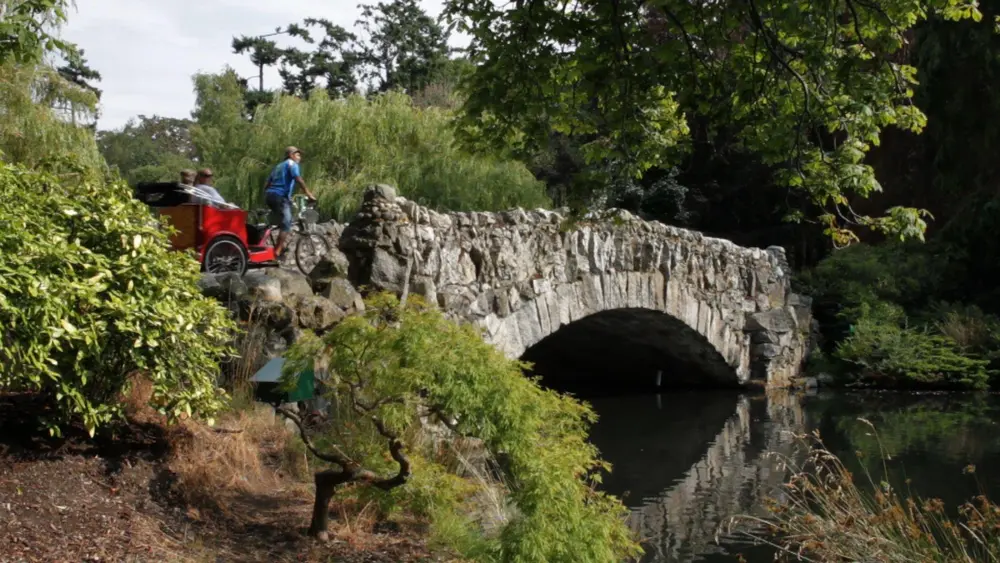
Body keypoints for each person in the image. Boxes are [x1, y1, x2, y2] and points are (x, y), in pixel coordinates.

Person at [264, 146, 316, 258]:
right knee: (287, 222)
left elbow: (268, 184)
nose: (299, 157)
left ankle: (280, 245)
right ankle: (277, 251)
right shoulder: (292, 164)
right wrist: (308, 194)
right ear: (291, 155)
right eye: (298, 155)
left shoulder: (278, 166)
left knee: (283, 218)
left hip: (270, 196)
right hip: (280, 196)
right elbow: (298, 179)